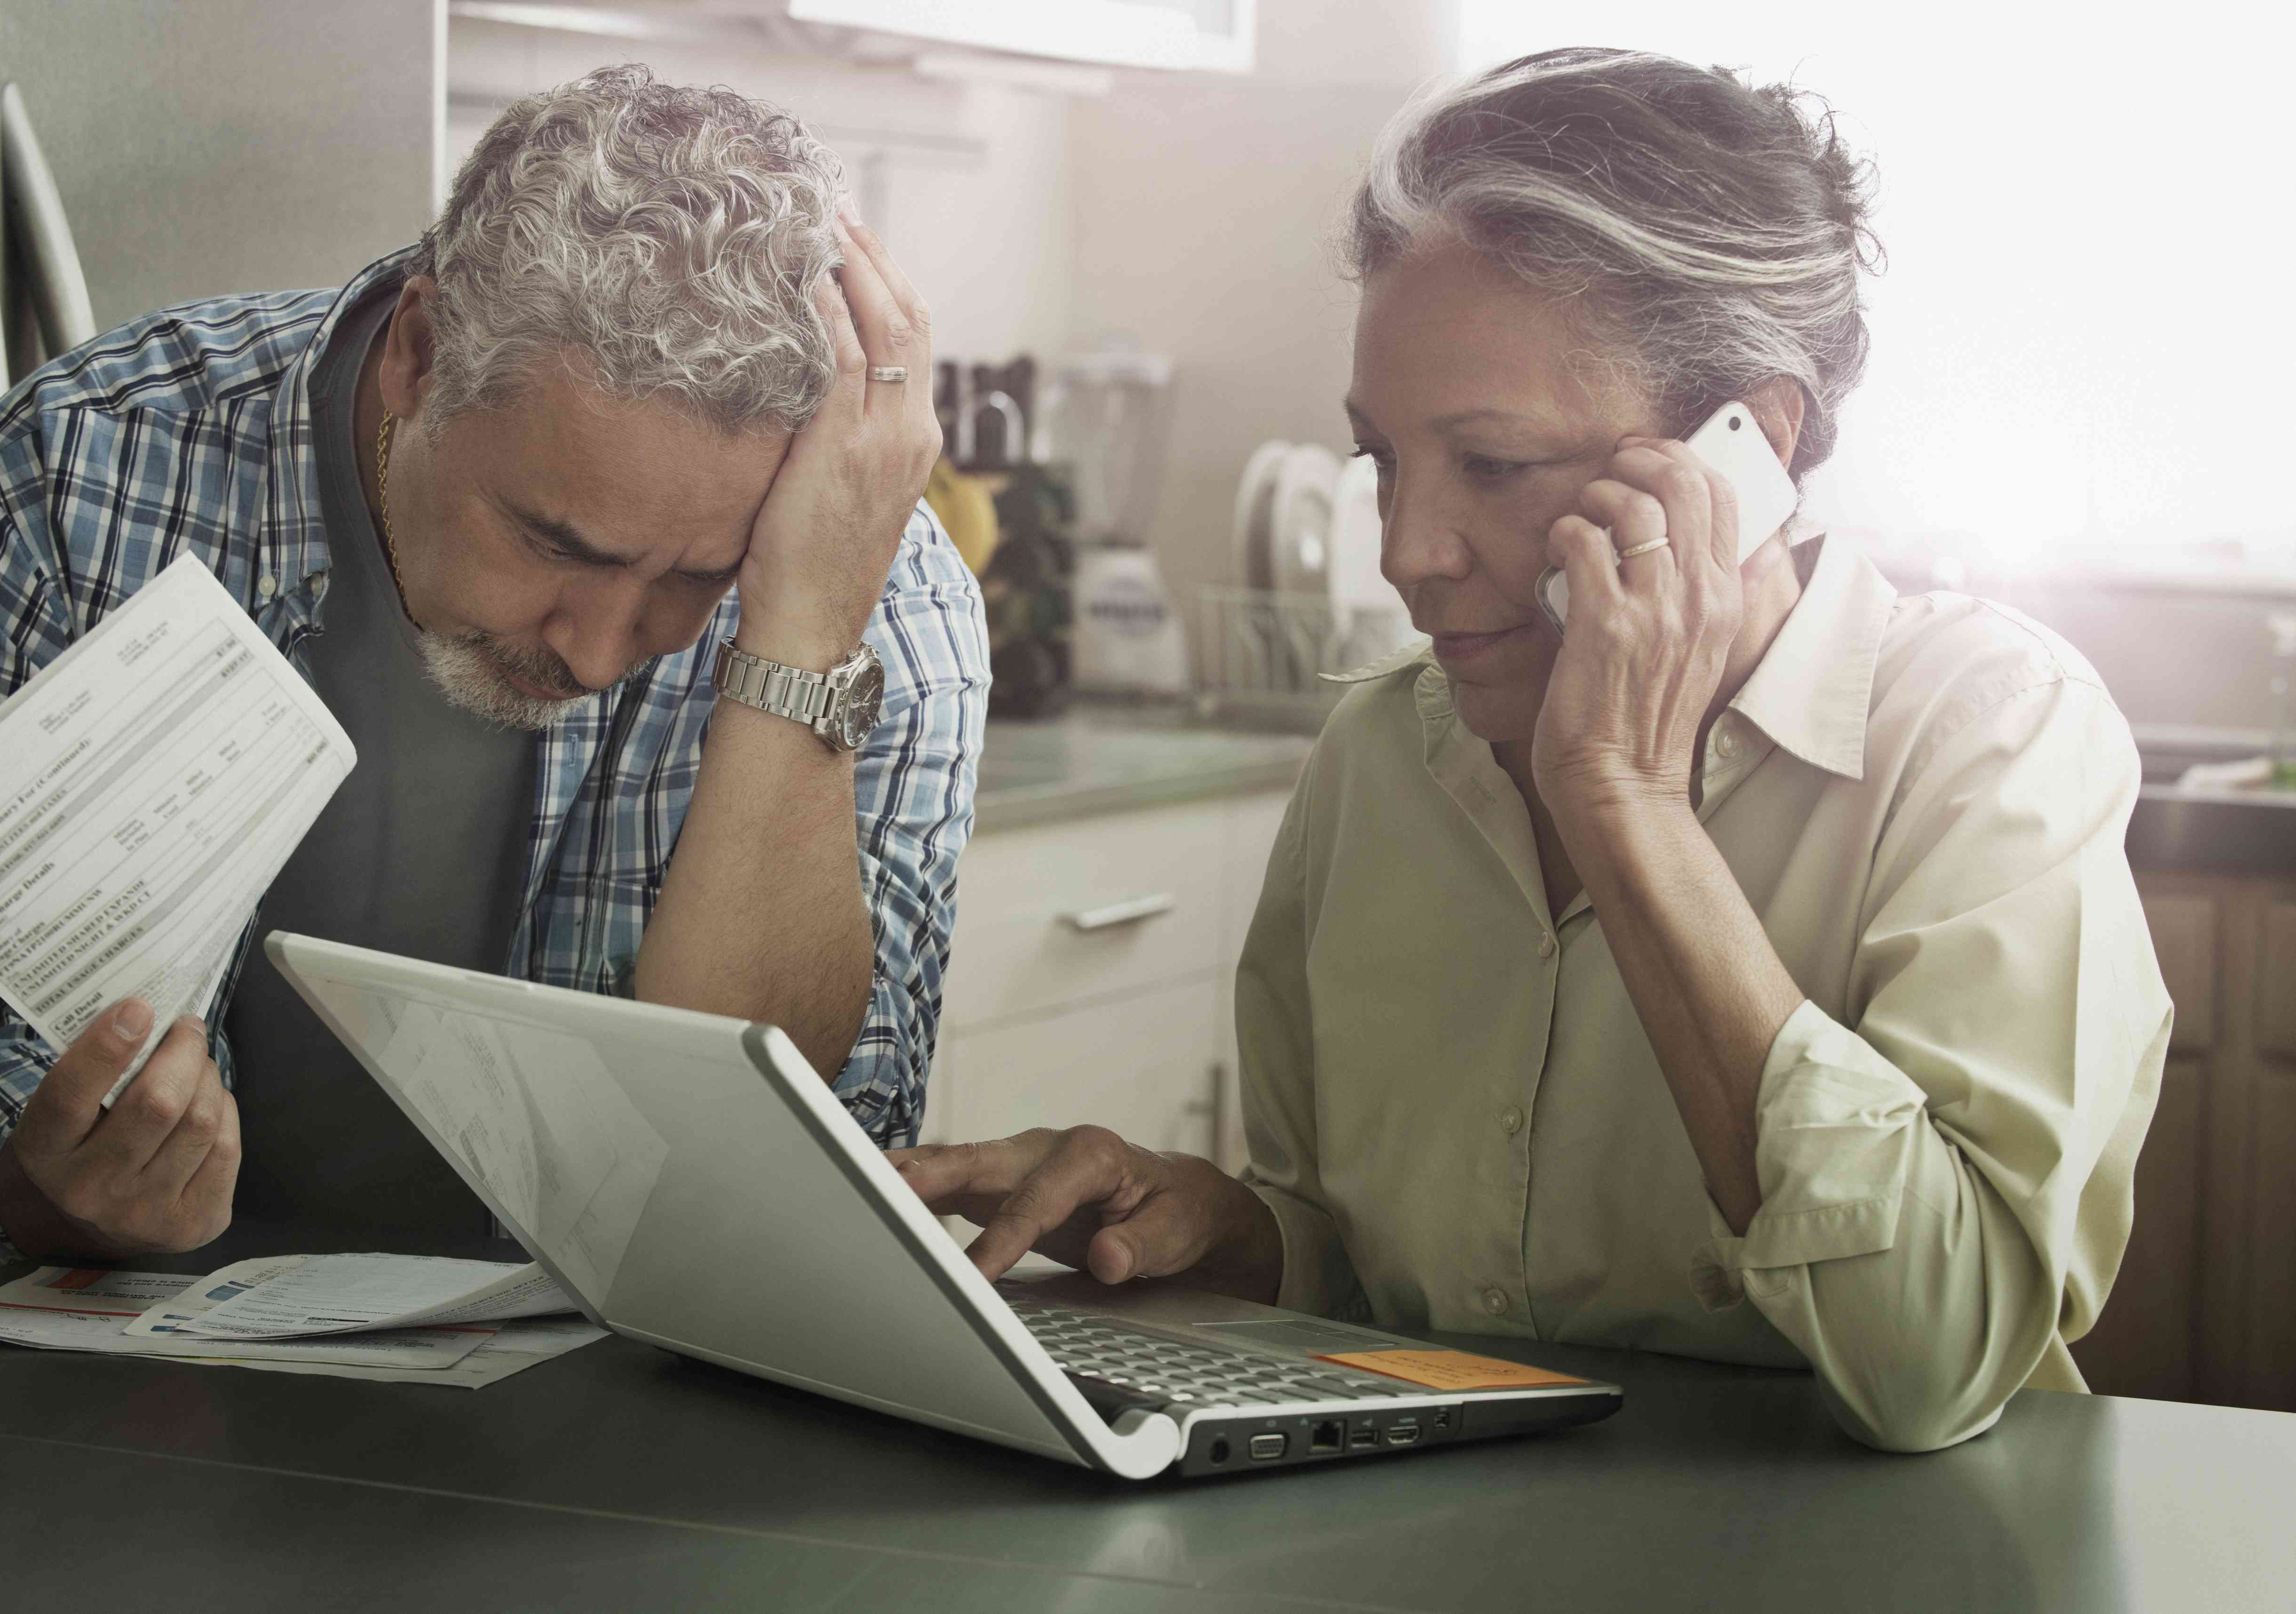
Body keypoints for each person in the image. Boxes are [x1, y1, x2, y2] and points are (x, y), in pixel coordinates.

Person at [892, 47, 2170, 1453]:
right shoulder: (1382, 750)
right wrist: (1217, 1226)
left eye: (1492, 467)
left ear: (1750, 446)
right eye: (1380, 460)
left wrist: (1625, 805)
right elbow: (1375, 1273)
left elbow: (1934, 1360)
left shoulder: (1988, 737)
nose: (1404, 555)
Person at [0, 66, 985, 1265]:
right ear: (419, 350)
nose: (598, 650)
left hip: (611, 1398)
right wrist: (59, 1190)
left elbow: (801, 1160)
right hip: (145, 1377)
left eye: (692, 580)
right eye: (554, 543)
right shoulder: (77, 467)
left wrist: (803, 642)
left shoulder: (886, 591)